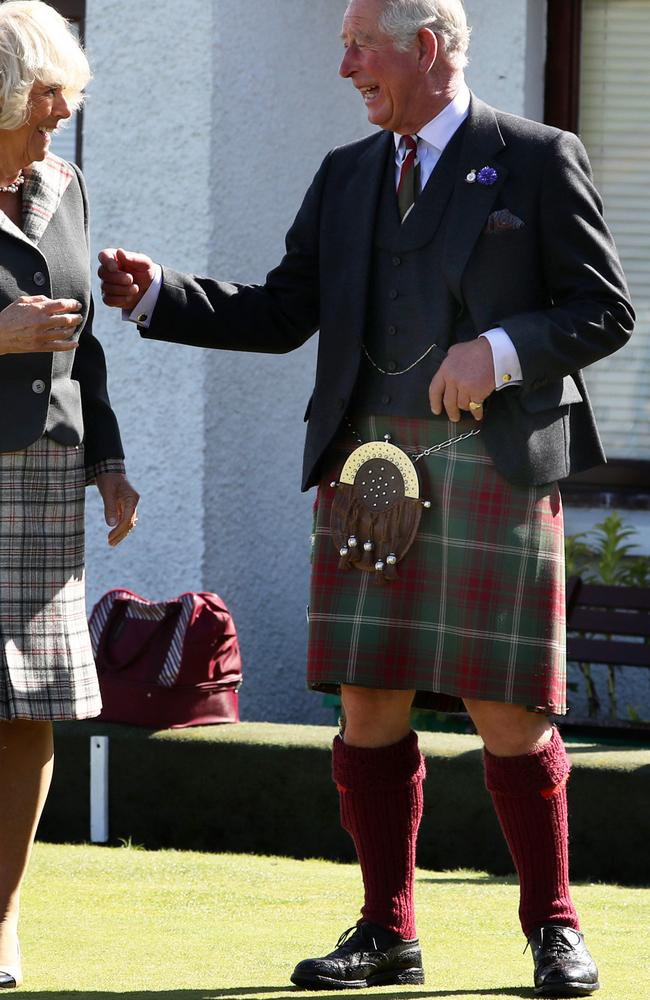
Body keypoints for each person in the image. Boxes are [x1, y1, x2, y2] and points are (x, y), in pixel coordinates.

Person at [98, 0, 633, 994]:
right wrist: (158, 294)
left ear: (423, 48)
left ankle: (552, 927)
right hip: (364, 466)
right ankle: (386, 927)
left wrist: (499, 351)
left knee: (507, 708)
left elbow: (603, 308)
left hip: (493, 465)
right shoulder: (345, 176)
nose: (343, 66)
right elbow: (283, 309)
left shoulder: (532, 156)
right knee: (369, 697)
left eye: (358, 47)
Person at [0, 2, 139, 989]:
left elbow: (84, 347)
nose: (59, 119)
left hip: (45, 478)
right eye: (46, 100)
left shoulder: (65, 186)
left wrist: (111, 465)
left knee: (29, 705)